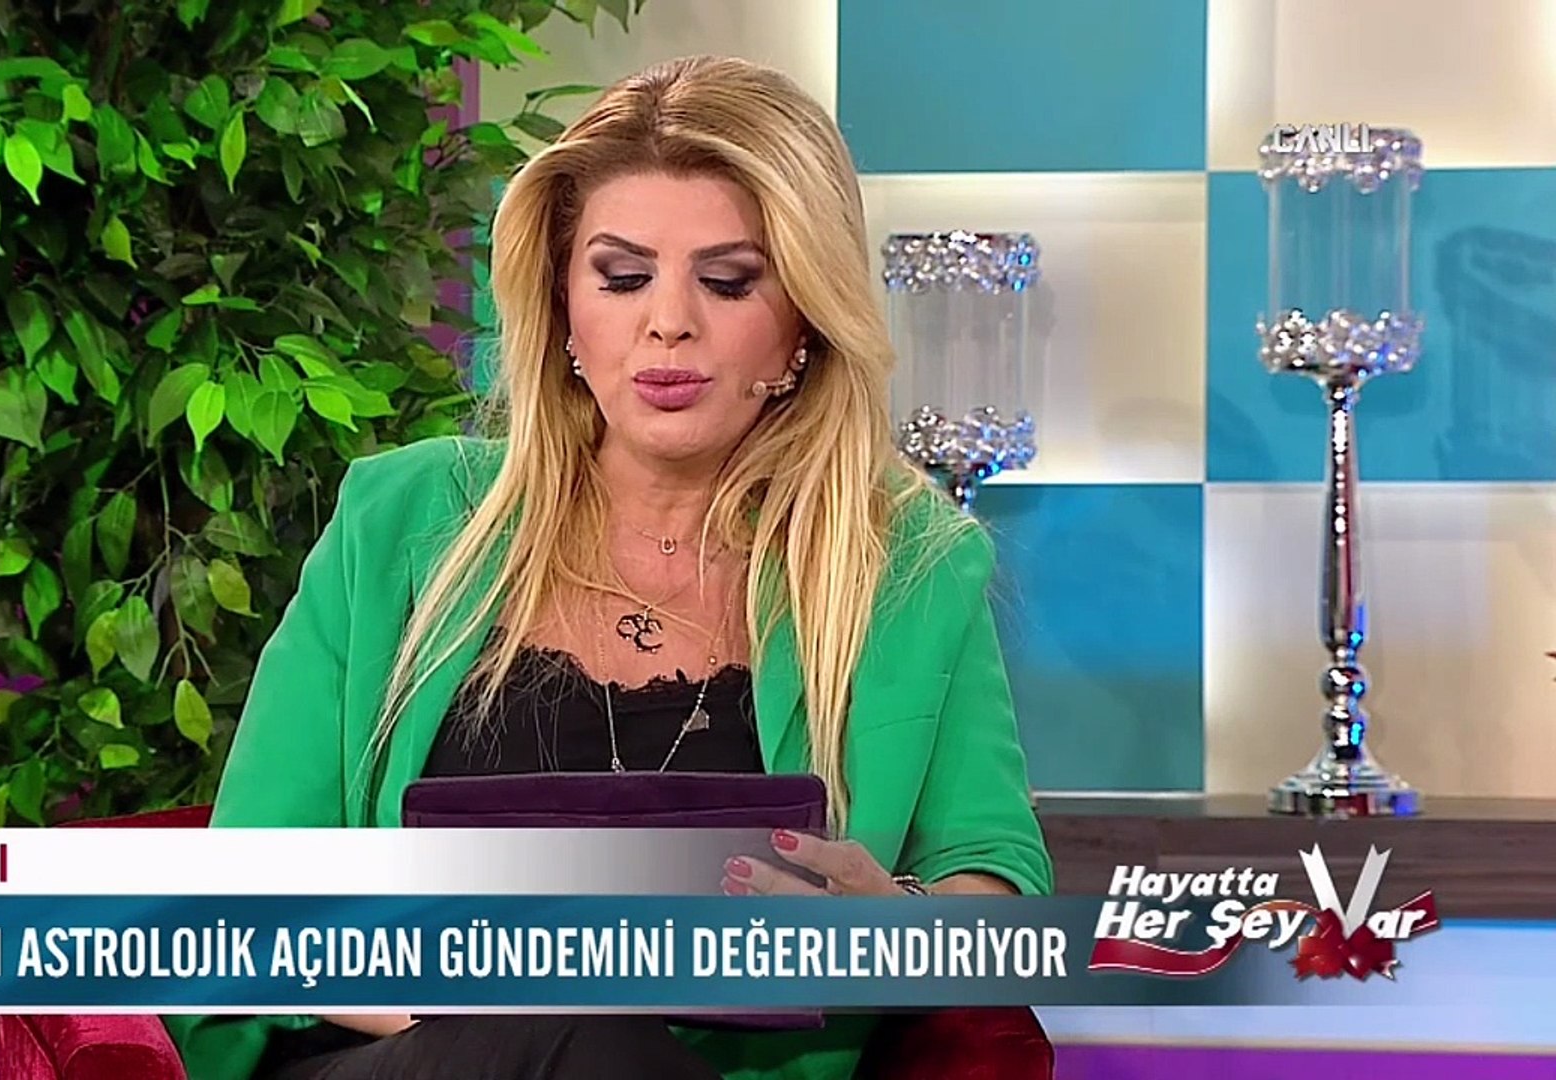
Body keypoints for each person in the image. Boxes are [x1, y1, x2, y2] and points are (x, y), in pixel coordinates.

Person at [166, 54, 1050, 1080]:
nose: (667, 321)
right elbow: (253, 895)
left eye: (728, 280)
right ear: (563, 309)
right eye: (622, 277)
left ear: (805, 322)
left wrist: (889, 934)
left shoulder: (909, 564)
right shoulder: (399, 518)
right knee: (573, 1035)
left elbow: (995, 883)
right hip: (395, 1056)